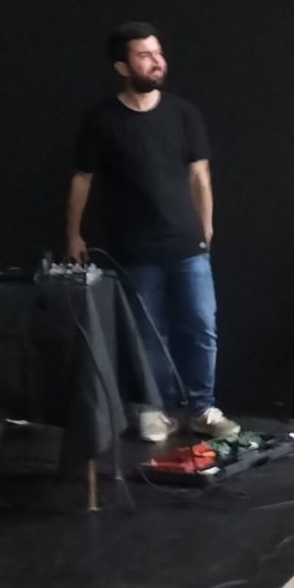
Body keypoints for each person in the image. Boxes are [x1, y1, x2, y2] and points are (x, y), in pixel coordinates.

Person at [66, 22, 239, 441]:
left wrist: (206, 227)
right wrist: (73, 234)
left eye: (158, 52)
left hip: (187, 244)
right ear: (123, 67)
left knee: (202, 326)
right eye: (144, 55)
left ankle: (202, 408)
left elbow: (200, 175)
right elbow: (82, 178)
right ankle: (154, 409)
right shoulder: (101, 120)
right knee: (149, 334)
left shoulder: (183, 114)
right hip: (135, 249)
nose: (156, 61)